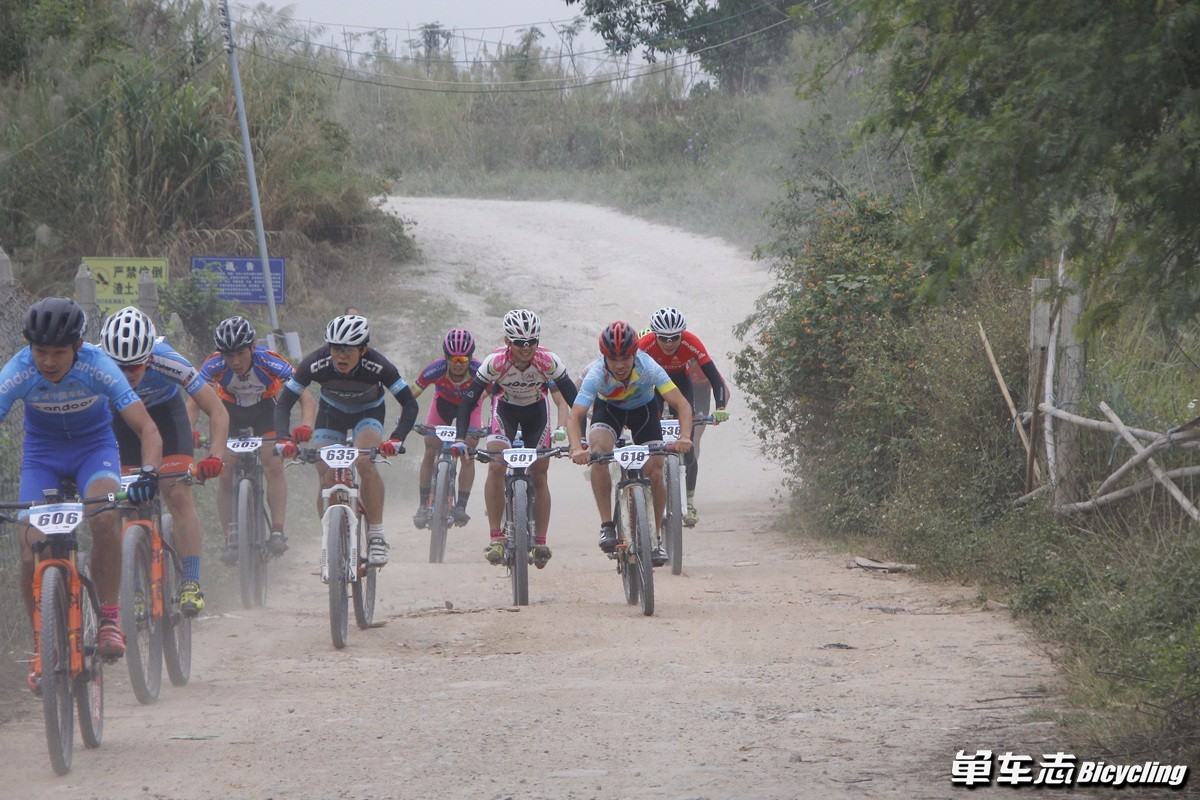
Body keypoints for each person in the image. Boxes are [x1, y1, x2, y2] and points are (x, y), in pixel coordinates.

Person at [0, 297, 163, 689]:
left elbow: (148, 430)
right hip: (43, 456)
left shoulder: (99, 365)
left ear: (77, 347)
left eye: (58, 352)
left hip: (95, 450)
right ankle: (43, 642)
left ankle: (108, 618)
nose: (49, 362)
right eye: (40, 351)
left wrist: (149, 474)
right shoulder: (19, 371)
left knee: (104, 517)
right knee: (28, 545)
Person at [99, 307, 229, 616]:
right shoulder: (96, 364)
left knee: (176, 492)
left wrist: (216, 456)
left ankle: (191, 582)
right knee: (127, 503)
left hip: (167, 418)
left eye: (135, 367)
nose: (127, 374)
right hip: (125, 424)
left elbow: (218, 411)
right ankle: (135, 586)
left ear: (148, 358)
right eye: (119, 367)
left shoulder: (167, 360)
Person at [274, 313, 419, 567]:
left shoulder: (379, 365)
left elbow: (409, 403)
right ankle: (329, 540)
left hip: (368, 412)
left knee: (364, 462)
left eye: (347, 350)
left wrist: (396, 439)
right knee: (325, 472)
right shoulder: (315, 363)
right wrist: (283, 438)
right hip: (332, 414)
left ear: (363, 349)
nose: (340, 356)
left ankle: (376, 535)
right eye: (335, 349)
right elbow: (284, 402)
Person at [452, 309, 577, 569]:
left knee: (540, 474)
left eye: (532, 341)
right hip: (505, 410)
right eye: (520, 342)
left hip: (537, 413)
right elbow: (469, 400)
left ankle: (541, 541)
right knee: (496, 465)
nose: (526, 348)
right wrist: (460, 438)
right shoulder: (495, 362)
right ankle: (496, 537)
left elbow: (574, 400)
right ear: (508, 341)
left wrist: (579, 439)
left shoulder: (548, 361)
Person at [568, 320, 693, 566]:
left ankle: (655, 538)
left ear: (635, 353)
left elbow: (682, 404)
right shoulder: (596, 373)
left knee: (655, 470)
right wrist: (576, 448)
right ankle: (607, 526)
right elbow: (576, 415)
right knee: (599, 453)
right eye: (613, 359)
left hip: (643, 411)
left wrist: (685, 436)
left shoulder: (649, 366)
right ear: (604, 357)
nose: (620, 365)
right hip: (609, 410)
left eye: (625, 358)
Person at [192, 315, 313, 560]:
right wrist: (189, 431)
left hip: (266, 410)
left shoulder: (269, 361)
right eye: (228, 355)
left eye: (241, 354)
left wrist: (306, 426)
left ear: (252, 348)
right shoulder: (213, 365)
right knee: (224, 469)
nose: (235, 362)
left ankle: (278, 531)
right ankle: (231, 536)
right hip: (230, 412)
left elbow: (306, 397)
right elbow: (194, 401)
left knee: (273, 463)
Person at [637, 306, 730, 527]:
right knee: (651, 432)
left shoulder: (691, 342)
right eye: (663, 338)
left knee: (688, 445)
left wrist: (720, 407)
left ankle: (688, 502)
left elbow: (715, 379)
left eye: (674, 338)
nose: (669, 343)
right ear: (654, 335)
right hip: (653, 386)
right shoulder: (644, 345)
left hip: (680, 381)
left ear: (682, 334)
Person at [411, 327, 484, 529]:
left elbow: (496, 395)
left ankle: (461, 506)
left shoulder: (480, 370)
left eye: (463, 359)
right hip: (442, 406)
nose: (457, 364)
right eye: (453, 359)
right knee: (430, 447)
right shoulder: (435, 369)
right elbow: (410, 396)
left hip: (471, 409)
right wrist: (404, 418)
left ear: (470, 357)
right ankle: (423, 504)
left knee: (468, 452)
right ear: (445, 357)